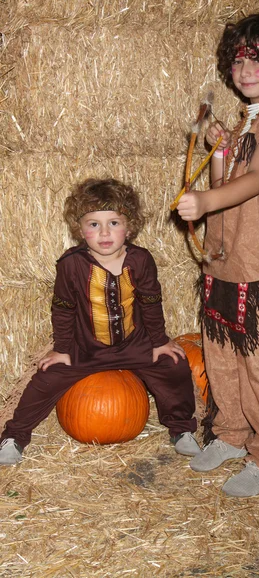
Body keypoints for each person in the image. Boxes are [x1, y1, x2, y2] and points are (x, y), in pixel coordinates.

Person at [177, 13, 259, 497]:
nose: (246, 70)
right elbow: (224, 185)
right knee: (221, 351)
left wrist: (204, 202)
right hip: (224, 259)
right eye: (238, 62)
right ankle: (231, 434)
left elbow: (254, 183)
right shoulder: (245, 121)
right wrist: (217, 153)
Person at [0, 178, 200, 465]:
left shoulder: (142, 260)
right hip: (86, 349)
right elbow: (64, 309)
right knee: (44, 379)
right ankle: (15, 436)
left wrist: (158, 342)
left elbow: (151, 302)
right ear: (80, 230)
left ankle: (181, 430)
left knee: (175, 366)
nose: (104, 232)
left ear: (129, 227)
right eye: (93, 224)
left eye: (114, 223)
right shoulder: (70, 264)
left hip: (136, 344)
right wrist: (63, 348)